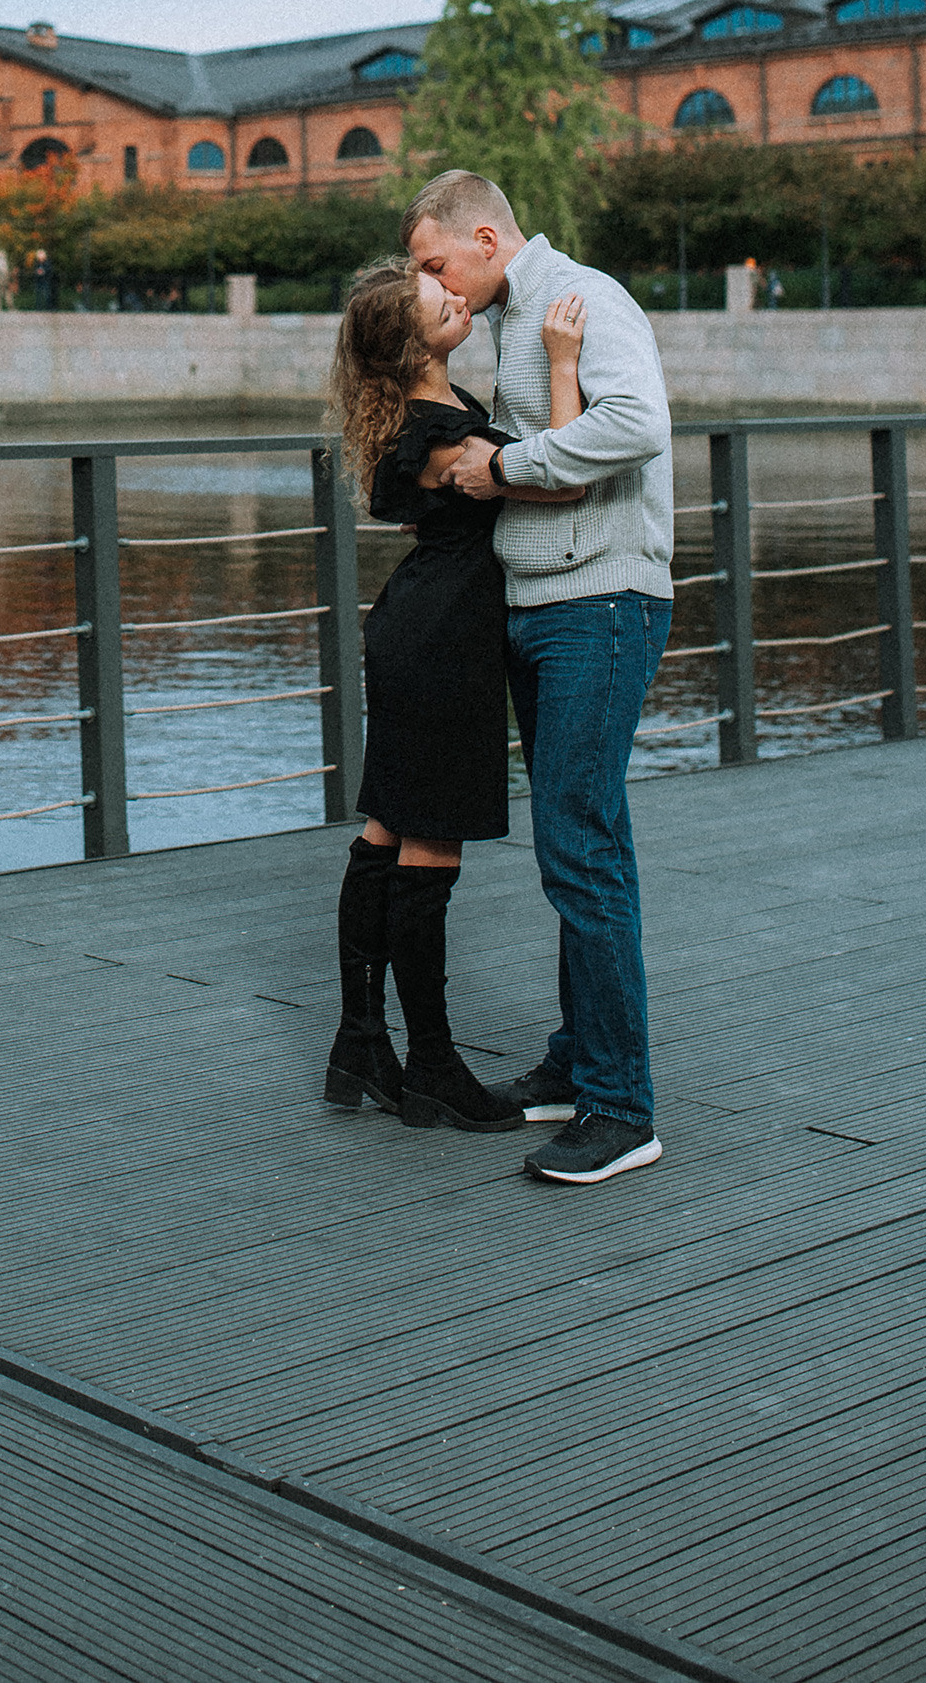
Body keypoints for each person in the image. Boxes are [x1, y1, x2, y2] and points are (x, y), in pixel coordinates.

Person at [402, 170, 675, 1187]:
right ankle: (575, 1066)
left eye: (434, 264)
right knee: (575, 838)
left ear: (483, 235)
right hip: (547, 604)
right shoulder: (521, 316)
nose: (434, 283)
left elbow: (635, 423)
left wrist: (505, 468)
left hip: (598, 603)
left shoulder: (584, 298)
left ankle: (621, 1107)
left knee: (580, 843)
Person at [324, 257, 589, 1134]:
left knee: (388, 830)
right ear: (412, 345)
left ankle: (362, 1041)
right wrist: (560, 364)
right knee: (427, 844)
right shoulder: (440, 426)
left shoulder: (423, 415)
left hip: (419, 625)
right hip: (441, 639)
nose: (453, 295)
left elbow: (410, 496)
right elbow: (561, 476)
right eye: (435, 300)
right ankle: (432, 1064)